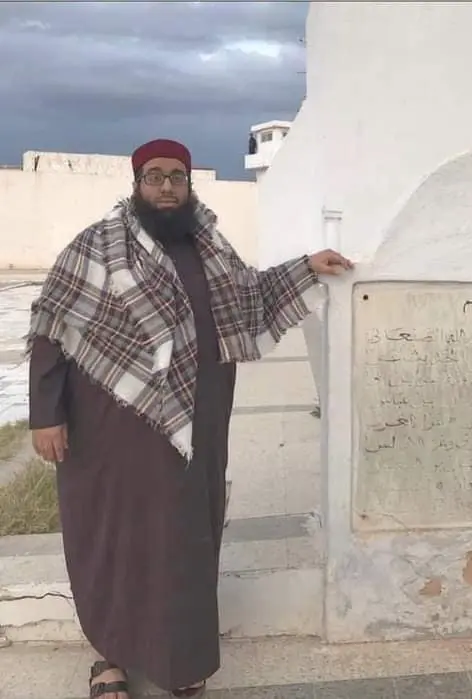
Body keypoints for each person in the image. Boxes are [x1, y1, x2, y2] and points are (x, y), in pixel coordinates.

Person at [27, 138, 353, 699]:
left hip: (196, 423)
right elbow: (53, 329)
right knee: (116, 537)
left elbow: (251, 296)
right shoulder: (97, 247)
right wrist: (45, 416)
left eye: (176, 176)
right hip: (112, 427)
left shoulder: (211, 246)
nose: (166, 187)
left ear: (189, 183)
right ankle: (111, 658)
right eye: (154, 177)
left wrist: (306, 267)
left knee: (184, 537)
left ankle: (180, 657)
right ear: (136, 184)